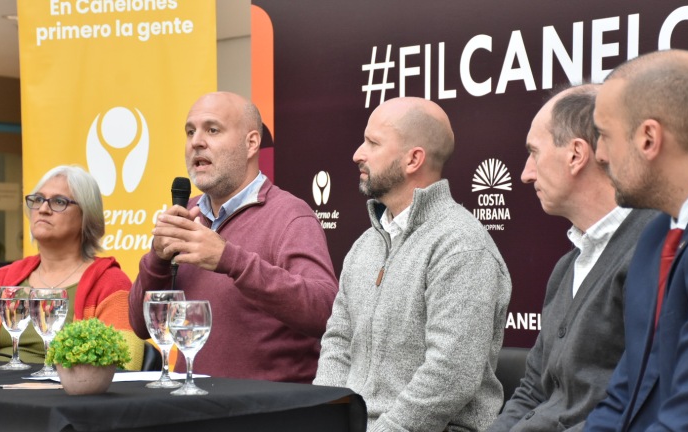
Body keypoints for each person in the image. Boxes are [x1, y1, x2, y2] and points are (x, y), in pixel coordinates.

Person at [314, 96, 512, 431]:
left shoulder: (462, 246)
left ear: (413, 159)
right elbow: (337, 343)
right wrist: (327, 420)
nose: (357, 154)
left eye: (373, 143)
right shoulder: (365, 246)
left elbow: (450, 376)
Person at [128, 91, 338, 383]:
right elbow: (140, 326)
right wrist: (157, 260)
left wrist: (230, 259)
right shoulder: (186, 216)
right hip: (190, 407)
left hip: (264, 411)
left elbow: (325, 310)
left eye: (212, 130)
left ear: (251, 143)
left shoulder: (290, 215)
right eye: (190, 131)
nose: (196, 141)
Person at [488, 85, 656, 432]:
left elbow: (640, 403)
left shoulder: (652, 251)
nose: (525, 173)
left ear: (576, 155)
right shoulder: (567, 267)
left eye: (534, 152)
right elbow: (533, 388)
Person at [584, 50, 688, 431]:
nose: (598, 155)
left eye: (602, 134)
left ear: (649, 138)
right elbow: (623, 397)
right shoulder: (656, 237)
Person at [0, 165, 143, 370]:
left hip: (63, 398)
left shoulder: (111, 284)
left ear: (87, 216)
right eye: (38, 199)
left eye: (59, 201)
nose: (43, 209)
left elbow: (123, 367)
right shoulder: (3, 279)